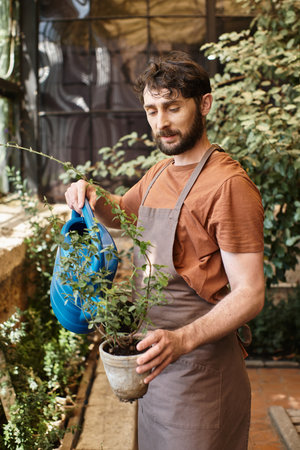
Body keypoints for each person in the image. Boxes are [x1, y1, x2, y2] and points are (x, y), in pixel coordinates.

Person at [65, 51, 265, 450]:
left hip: (201, 374)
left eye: (173, 107)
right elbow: (124, 215)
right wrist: (92, 195)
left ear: (203, 104)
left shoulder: (228, 186)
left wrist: (183, 340)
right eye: (152, 110)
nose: (162, 122)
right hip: (154, 368)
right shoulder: (160, 171)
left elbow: (250, 293)